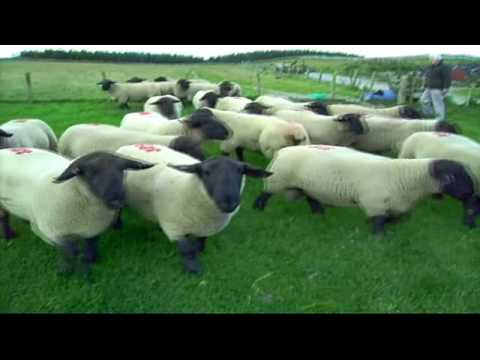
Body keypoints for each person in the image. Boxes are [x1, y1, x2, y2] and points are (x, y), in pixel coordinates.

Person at [420, 54, 452, 121]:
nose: (432, 61)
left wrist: (446, 88)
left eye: (433, 59)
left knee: (438, 104)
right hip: (429, 88)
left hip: (437, 88)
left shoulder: (444, 67)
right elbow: (427, 76)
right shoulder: (431, 67)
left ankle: (440, 119)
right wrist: (424, 85)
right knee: (423, 100)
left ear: (438, 60)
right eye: (432, 59)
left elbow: (447, 78)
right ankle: (428, 114)